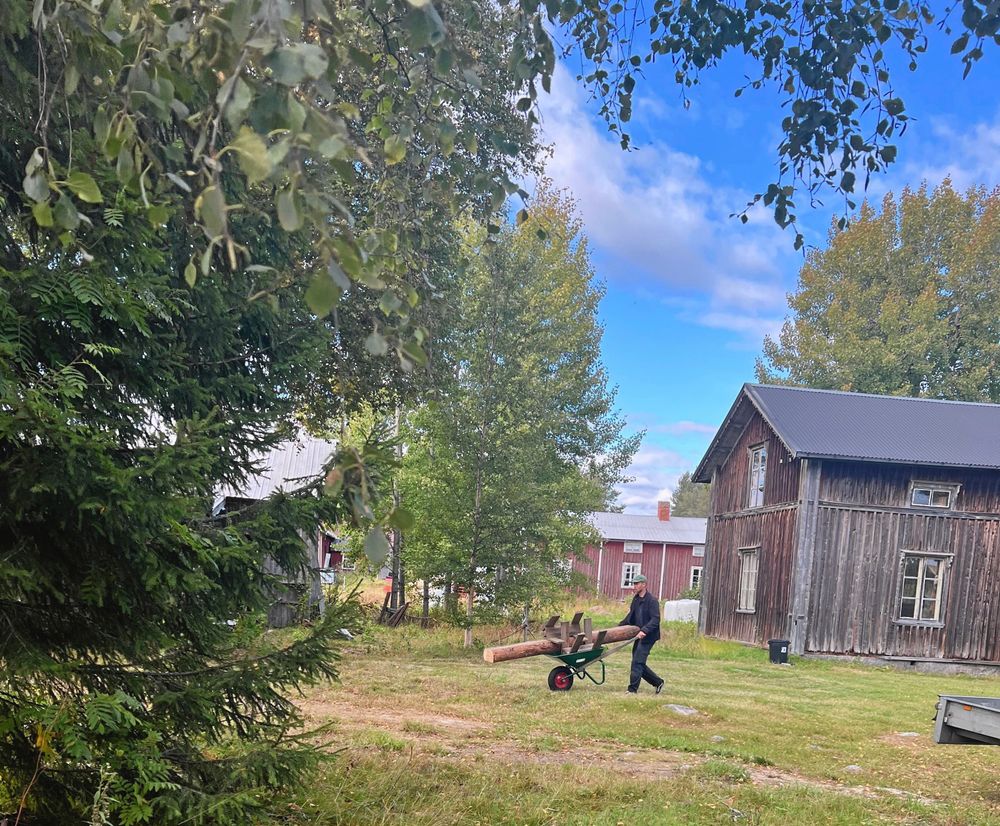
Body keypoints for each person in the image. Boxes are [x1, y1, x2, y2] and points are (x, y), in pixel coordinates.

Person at [620, 574, 664, 694]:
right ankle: (658, 682)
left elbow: (655, 619)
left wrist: (645, 630)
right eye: (634, 584)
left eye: (637, 583)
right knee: (638, 662)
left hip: (649, 636)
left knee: (637, 662)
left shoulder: (652, 601)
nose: (634, 586)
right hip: (639, 634)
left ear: (644, 584)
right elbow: (631, 616)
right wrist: (619, 627)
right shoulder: (636, 599)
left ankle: (632, 690)